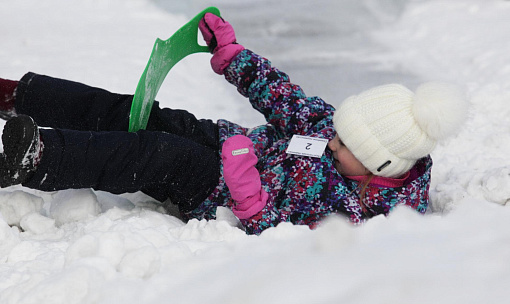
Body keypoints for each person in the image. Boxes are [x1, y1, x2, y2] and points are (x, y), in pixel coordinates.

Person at [0, 13, 467, 235]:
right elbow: (285, 98)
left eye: (343, 144)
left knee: (160, 153)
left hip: (221, 194)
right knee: (142, 114)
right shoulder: (340, 135)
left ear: (377, 166)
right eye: (337, 130)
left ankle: (36, 158)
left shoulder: (363, 213)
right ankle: (21, 95)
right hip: (229, 144)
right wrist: (234, 57)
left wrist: (246, 192)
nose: (331, 140)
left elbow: (279, 236)